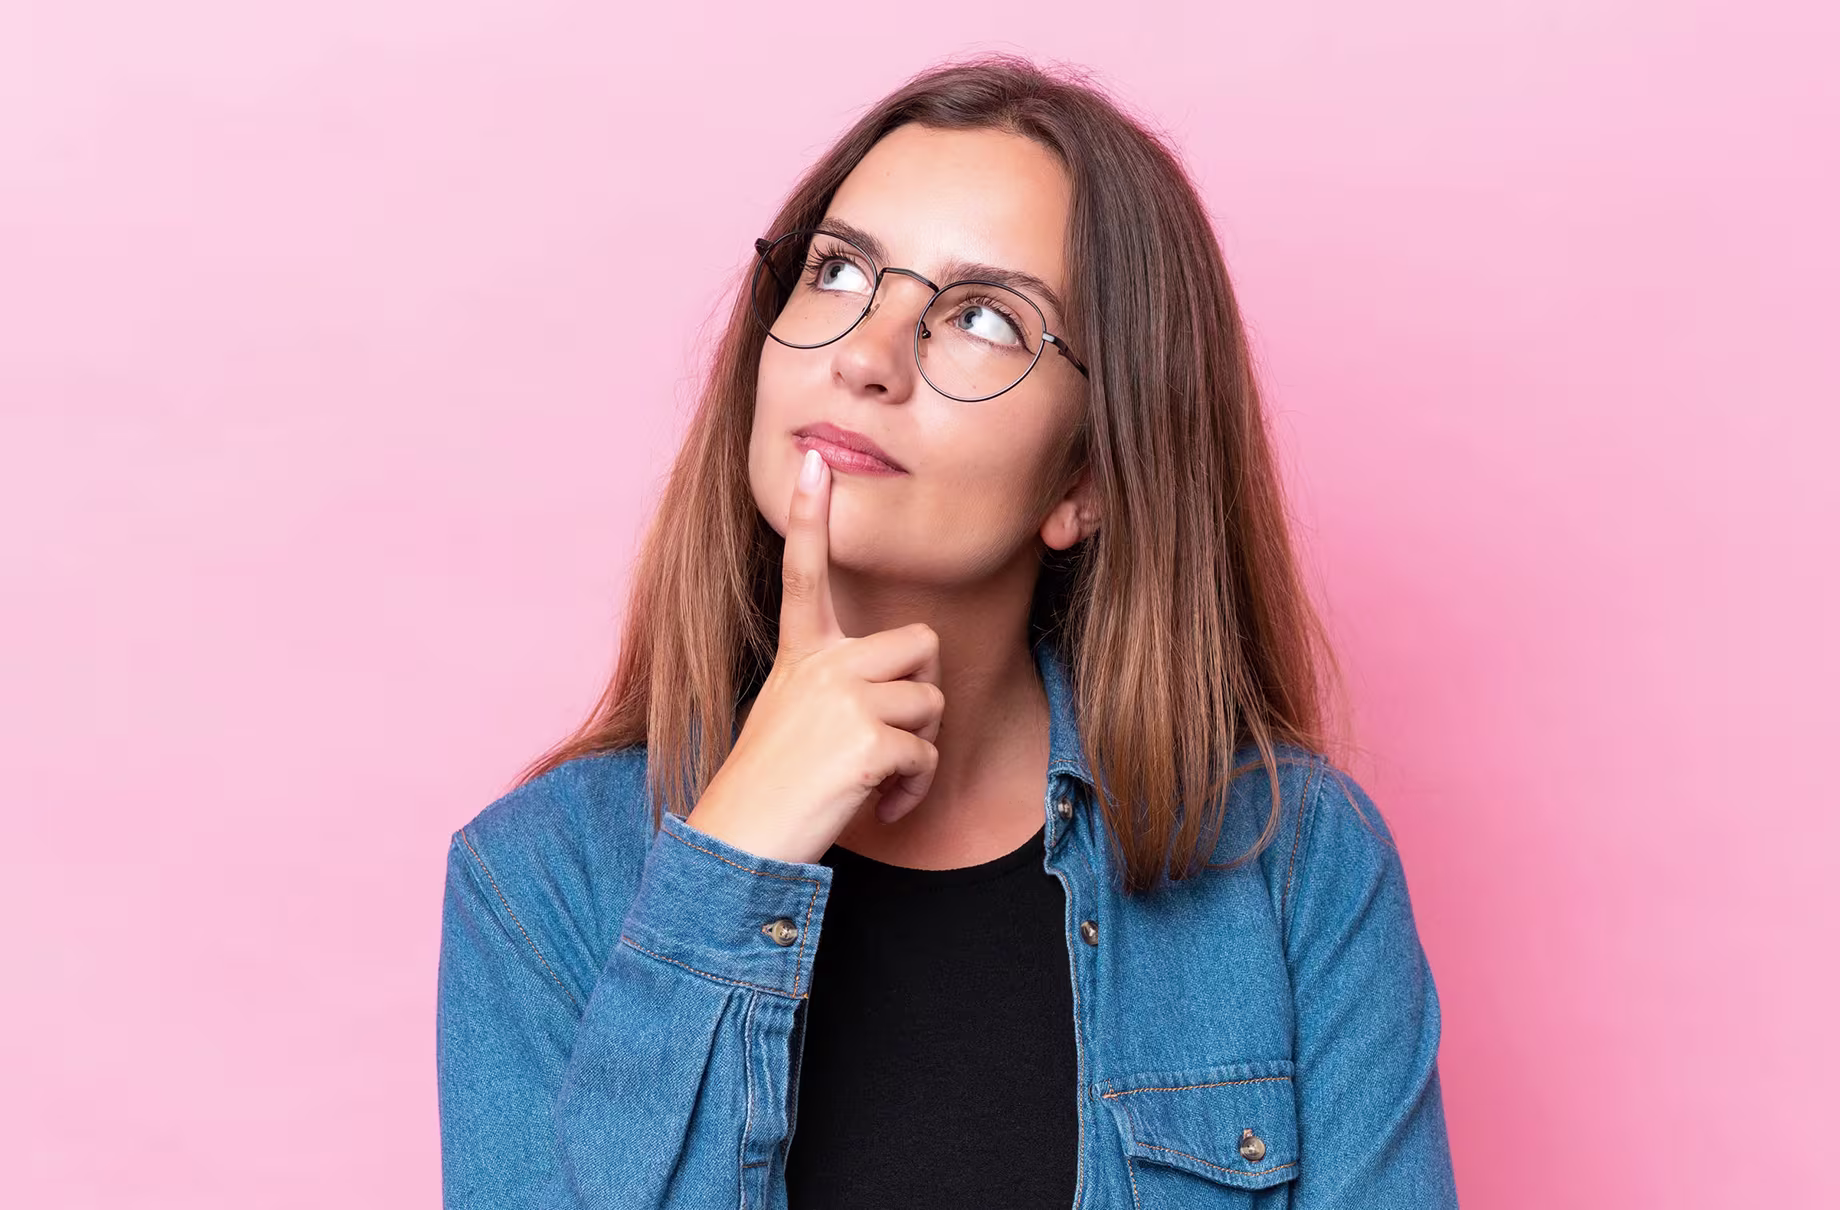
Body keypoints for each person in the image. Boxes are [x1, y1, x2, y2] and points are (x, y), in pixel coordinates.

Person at [437, 54, 1458, 1210]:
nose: (862, 357)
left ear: (1089, 473)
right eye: (835, 271)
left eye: (980, 317)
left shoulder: (1292, 867)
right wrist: (731, 871)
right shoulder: (538, 882)